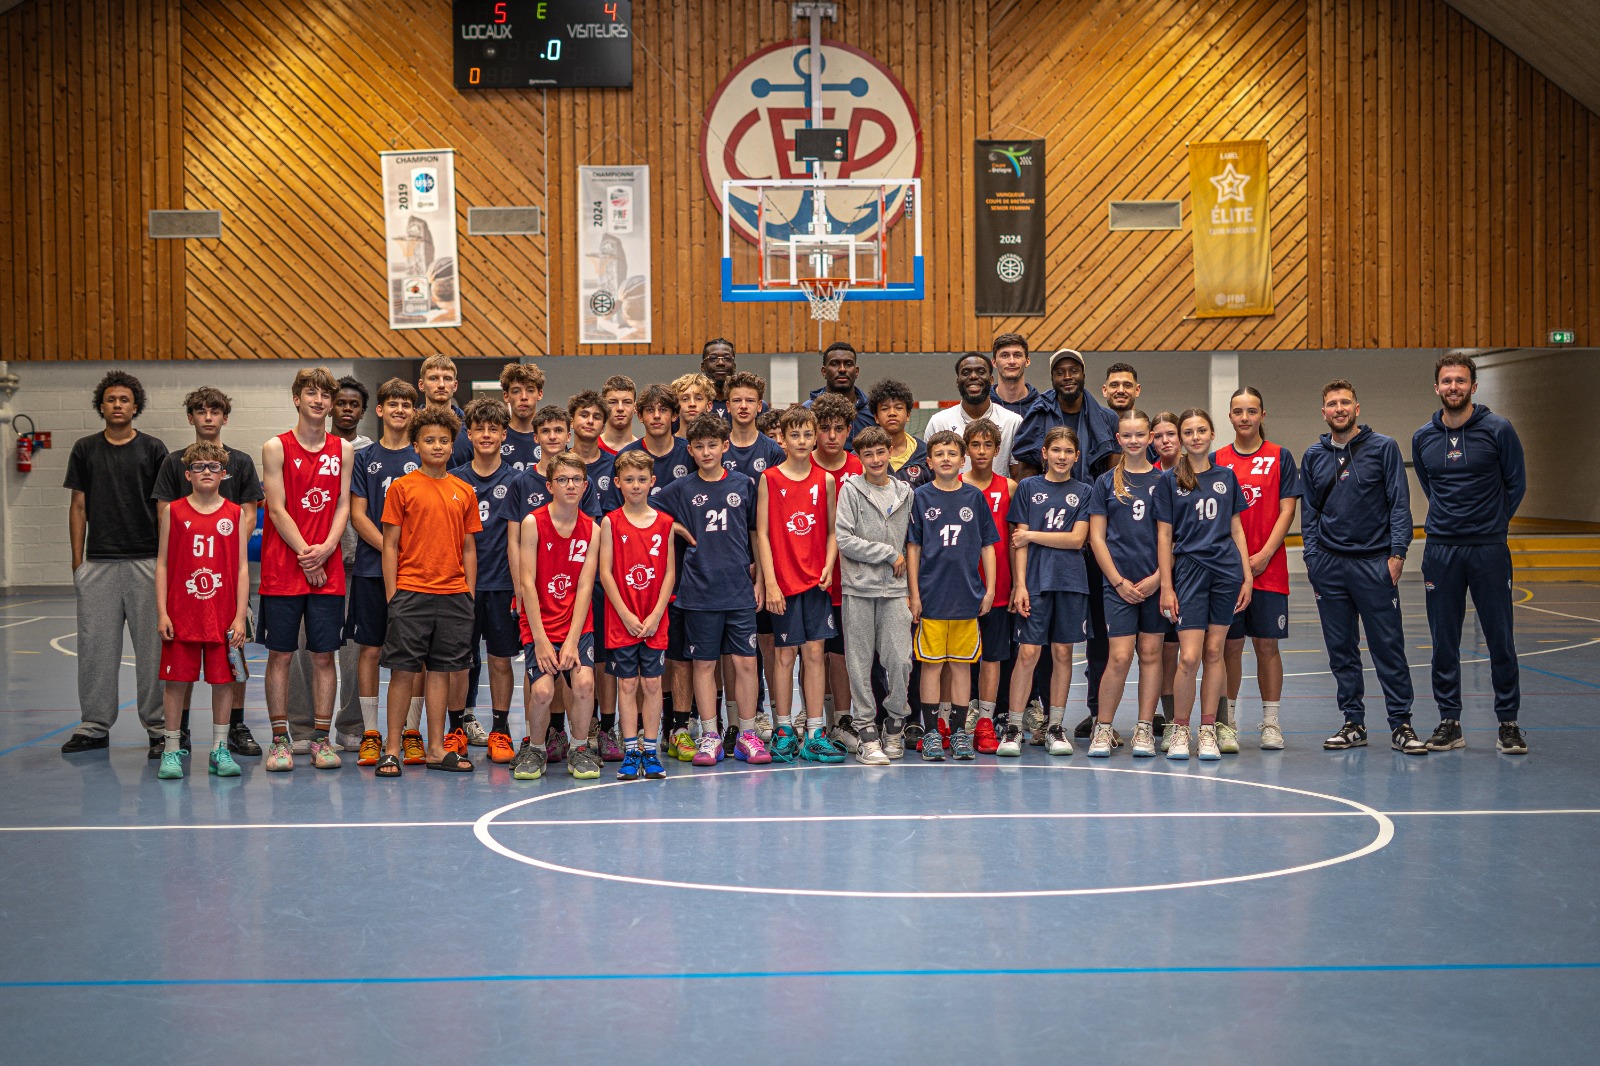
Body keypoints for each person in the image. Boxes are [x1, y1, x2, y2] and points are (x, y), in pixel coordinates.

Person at [1300, 381, 1424, 755]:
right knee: (1341, 649)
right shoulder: (1313, 455)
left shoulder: (1383, 448)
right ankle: (1353, 721)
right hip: (1330, 566)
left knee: (1388, 646)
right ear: (1323, 413)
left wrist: (1397, 555)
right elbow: (1309, 513)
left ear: (1357, 408)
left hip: (1374, 564)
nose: (1339, 409)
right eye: (1331, 404)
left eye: (1345, 403)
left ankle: (1401, 723)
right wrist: (1312, 558)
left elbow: (1400, 504)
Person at [1412, 353, 1528, 754]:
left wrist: (1490, 523)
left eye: (1461, 380)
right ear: (1437, 387)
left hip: (1488, 550)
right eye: (1447, 381)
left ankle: (1508, 722)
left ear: (1473, 387)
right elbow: (1431, 486)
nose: (1454, 387)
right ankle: (1449, 721)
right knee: (1444, 640)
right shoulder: (1423, 437)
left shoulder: (1498, 430)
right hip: (1441, 550)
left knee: (1500, 637)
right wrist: (1453, 523)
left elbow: (1516, 484)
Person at [150, 386, 264, 757]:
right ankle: (178, 733)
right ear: (191, 417)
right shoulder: (173, 462)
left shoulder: (242, 462)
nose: (208, 417)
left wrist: (225, 541)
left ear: (225, 417)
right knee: (181, 663)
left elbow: (249, 512)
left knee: (234, 655)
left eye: (215, 411)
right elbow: (165, 512)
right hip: (188, 579)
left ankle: (235, 726)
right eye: (201, 411)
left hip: (229, 575)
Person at [61, 372, 169, 755]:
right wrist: (78, 564)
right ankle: (93, 726)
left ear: (135, 406)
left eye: (125, 399)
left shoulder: (154, 448)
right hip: (99, 564)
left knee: (153, 650)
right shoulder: (85, 449)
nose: (118, 404)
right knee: (95, 649)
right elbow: (78, 506)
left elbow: (163, 511)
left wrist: (165, 563)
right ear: (101, 406)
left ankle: (159, 728)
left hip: (146, 562)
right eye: (111, 399)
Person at [372, 406, 480, 776]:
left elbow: (468, 547)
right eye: (429, 440)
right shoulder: (402, 488)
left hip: (454, 596)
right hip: (411, 593)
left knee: (441, 672)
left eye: (444, 441)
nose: (437, 446)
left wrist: (469, 593)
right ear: (416, 446)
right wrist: (393, 595)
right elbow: (390, 545)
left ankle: (435, 748)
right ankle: (391, 749)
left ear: (453, 446)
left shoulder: (463, 491)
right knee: (403, 671)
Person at [656, 414, 769, 765]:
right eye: (699, 446)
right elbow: (649, 514)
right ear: (690, 450)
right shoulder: (681, 489)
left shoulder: (744, 484)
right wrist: (674, 525)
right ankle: (709, 735)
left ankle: (748, 733)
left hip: (739, 591)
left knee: (745, 664)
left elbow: (756, 533)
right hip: (698, 593)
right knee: (703, 665)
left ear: (724, 447)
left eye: (712, 446)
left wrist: (761, 580)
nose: (706, 452)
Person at [257, 367, 353, 772]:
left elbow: (343, 505)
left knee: (323, 656)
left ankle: (320, 739)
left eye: (325, 395)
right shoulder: (275, 447)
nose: (318, 401)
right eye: (310, 393)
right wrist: (305, 554)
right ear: (297, 399)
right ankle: (280, 741)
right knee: (280, 655)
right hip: (284, 568)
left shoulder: (343, 450)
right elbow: (275, 508)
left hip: (327, 567)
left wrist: (327, 549)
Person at [1154, 410, 1252, 761]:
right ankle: (1180, 727)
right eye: (1188, 432)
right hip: (1190, 573)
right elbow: (1164, 536)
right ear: (1179, 438)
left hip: (1226, 572)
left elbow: (1236, 527)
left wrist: (1247, 575)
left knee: (1215, 652)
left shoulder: (1227, 476)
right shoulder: (1169, 480)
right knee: (1190, 656)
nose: (1195, 437)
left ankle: (1208, 729)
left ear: (1212, 434)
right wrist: (1166, 586)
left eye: (1201, 431)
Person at [153, 442, 250, 780]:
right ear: (187, 474)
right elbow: (163, 564)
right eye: (198, 467)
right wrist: (163, 612)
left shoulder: (235, 513)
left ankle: (219, 749)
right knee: (176, 681)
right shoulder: (174, 512)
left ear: (224, 474)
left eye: (213, 466)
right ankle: (170, 749)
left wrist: (240, 615)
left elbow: (240, 568)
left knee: (223, 682)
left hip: (222, 615)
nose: (206, 471)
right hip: (182, 614)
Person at [1214, 387, 1301, 752]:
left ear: (1263, 415)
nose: (1245, 417)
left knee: (1266, 645)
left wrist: (1264, 553)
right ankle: (1228, 722)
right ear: (1230, 416)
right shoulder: (1217, 459)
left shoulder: (1280, 456)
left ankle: (1270, 722)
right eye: (1238, 411)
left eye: (1252, 411)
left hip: (1269, 567)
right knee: (1229, 647)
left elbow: (1287, 510)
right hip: (1227, 571)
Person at [756, 405, 843, 764]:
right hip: (785, 584)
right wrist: (771, 583)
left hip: (816, 583)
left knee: (814, 655)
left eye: (809, 434)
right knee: (784, 655)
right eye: (795, 435)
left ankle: (815, 733)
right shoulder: (770, 479)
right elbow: (761, 533)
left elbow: (834, 529)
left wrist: (828, 564)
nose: (803, 441)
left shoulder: (826, 480)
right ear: (783, 439)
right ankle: (783, 729)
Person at [908, 430, 999, 763]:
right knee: (931, 667)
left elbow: (988, 545)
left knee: (961, 667)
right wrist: (914, 593)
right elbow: (913, 547)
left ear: (963, 460)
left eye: (952, 453)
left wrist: (989, 588)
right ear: (929, 461)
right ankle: (932, 732)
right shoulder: (921, 497)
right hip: (932, 597)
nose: (946, 458)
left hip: (966, 598)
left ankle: (959, 731)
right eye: (939, 454)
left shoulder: (974, 498)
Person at [514, 451, 603, 781]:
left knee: (583, 682)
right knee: (542, 692)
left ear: (584, 485)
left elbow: (584, 588)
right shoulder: (532, 523)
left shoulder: (592, 530)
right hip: (539, 623)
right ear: (549, 485)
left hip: (576, 625)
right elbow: (526, 582)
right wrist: (540, 640)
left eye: (576, 479)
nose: (570, 485)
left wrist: (571, 641)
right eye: (562, 479)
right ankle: (535, 747)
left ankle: (580, 748)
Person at [1004, 427, 1093, 757]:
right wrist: (1020, 584)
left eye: (1068, 451)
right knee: (1027, 654)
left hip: (1071, 582)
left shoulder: (1084, 491)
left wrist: (1033, 536)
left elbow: (1077, 540)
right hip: (1036, 583)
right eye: (1055, 450)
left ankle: (1055, 726)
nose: (1061, 456)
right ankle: (1013, 728)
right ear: (1044, 453)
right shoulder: (1028, 488)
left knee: (1063, 655)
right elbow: (1018, 541)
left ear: (1076, 456)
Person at [347, 379, 422, 765]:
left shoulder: (423, 455)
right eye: (391, 403)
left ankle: (411, 732)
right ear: (379, 410)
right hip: (372, 570)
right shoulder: (364, 458)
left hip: (416, 573)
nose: (398, 410)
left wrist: (408, 554)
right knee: (371, 649)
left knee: (414, 655)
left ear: (414, 411)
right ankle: (371, 732)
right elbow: (358, 515)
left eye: (406, 404)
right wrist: (392, 549)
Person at [449, 397, 523, 766]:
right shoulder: (455, 480)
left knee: (499, 660)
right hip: (460, 586)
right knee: (460, 662)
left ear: (504, 434)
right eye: (480, 428)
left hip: (502, 585)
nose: (486, 434)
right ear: (469, 432)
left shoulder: (517, 481)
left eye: (494, 428)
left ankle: (500, 728)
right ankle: (456, 727)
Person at [1087, 410, 1165, 758]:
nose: (1134, 441)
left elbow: (1173, 538)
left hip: (1155, 583)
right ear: (1118, 439)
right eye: (1127, 435)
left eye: (1140, 434)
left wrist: (1159, 579)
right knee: (1118, 658)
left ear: (1151, 438)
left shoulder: (1166, 481)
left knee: (1150, 654)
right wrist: (1118, 582)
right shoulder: (1106, 483)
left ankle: (1145, 728)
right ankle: (1103, 727)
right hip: (1117, 586)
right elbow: (1097, 539)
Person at [836, 426, 916, 764]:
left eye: (880, 452)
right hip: (858, 589)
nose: (875, 460)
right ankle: (866, 730)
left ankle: (895, 723)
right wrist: (886, 552)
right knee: (859, 662)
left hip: (895, 591)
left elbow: (912, 544)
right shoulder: (850, 490)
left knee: (900, 660)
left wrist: (913, 588)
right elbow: (844, 539)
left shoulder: (906, 492)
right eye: (867, 455)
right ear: (860, 458)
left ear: (889, 452)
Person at [597, 449, 678, 781]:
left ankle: (650, 749)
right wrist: (626, 615)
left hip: (654, 618)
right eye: (628, 480)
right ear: (618, 483)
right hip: (623, 620)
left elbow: (670, 574)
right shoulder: (610, 522)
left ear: (652, 483)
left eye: (641, 479)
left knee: (653, 682)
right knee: (627, 684)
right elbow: (605, 573)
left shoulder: (665, 523)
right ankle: (630, 750)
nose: (635, 485)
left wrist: (657, 613)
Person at [568, 389, 622, 761]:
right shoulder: (562, 469)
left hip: (608, 576)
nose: (589, 421)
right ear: (573, 420)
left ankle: (605, 727)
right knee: (565, 655)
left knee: (603, 657)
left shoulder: (617, 464)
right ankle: (566, 730)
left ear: (604, 424)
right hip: (566, 576)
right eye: (583, 415)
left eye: (595, 416)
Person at [810, 392, 865, 744]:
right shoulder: (800, 465)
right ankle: (817, 717)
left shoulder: (860, 468)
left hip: (852, 579)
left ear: (849, 430)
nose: (831, 435)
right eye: (824, 428)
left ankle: (843, 721)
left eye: (839, 429)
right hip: (809, 577)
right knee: (813, 653)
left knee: (844, 654)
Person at [961, 419, 1016, 755]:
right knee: (962, 655)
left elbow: (1012, 541)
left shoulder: (1008, 487)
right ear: (967, 450)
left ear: (998, 451)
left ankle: (986, 716)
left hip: (998, 585)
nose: (981, 452)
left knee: (993, 656)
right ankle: (963, 710)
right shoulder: (956, 485)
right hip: (961, 586)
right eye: (975, 445)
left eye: (987, 446)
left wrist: (1016, 584)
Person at [1010, 349, 1118, 482]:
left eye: (1074, 371)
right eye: (1060, 373)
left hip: (1092, 498)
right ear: (1052, 378)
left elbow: (1112, 476)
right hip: (1047, 498)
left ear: (1083, 375)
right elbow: (1027, 469)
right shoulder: (1039, 414)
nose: (1067, 377)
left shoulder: (1108, 419)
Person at [924, 352, 1023, 475]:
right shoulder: (938, 422)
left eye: (981, 372)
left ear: (992, 380)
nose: (973, 377)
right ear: (957, 381)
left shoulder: (1013, 422)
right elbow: (930, 474)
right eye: (966, 373)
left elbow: (1018, 476)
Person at [453, 361, 546, 470]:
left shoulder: (551, 437)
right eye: (516, 391)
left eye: (530, 390)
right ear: (506, 396)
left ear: (539, 394)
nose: (524, 397)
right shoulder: (493, 436)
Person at [804, 341, 876, 444]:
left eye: (848, 364)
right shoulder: (807, 411)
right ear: (824, 372)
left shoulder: (873, 411)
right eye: (834, 364)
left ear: (856, 372)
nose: (842, 369)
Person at [723, 371, 787, 480]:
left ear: (759, 406)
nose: (743, 406)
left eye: (750, 400)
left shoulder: (773, 451)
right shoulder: (717, 448)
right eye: (737, 400)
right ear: (728, 406)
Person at [990, 332, 1040, 417]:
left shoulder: (1041, 406)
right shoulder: (984, 405)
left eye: (1017, 355)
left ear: (1027, 361)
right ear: (994, 362)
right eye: (1005, 355)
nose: (1012, 361)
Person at [598, 374, 639, 454]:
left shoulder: (643, 450)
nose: (620, 408)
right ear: (603, 406)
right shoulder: (592, 449)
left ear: (635, 408)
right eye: (613, 402)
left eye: (627, 402)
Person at [701, 338, 739, 421]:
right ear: (702, 367)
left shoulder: (749, 404)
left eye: (727, 358)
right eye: (713, 358)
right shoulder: (693, 404)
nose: (720, 363)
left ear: (734, 366)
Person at [669, 372, 715, 437]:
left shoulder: (719, 445)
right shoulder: (667, 446)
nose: (692, 404)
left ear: (709, 406)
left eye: (698, 399)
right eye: (685, 399)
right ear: (676, 406)